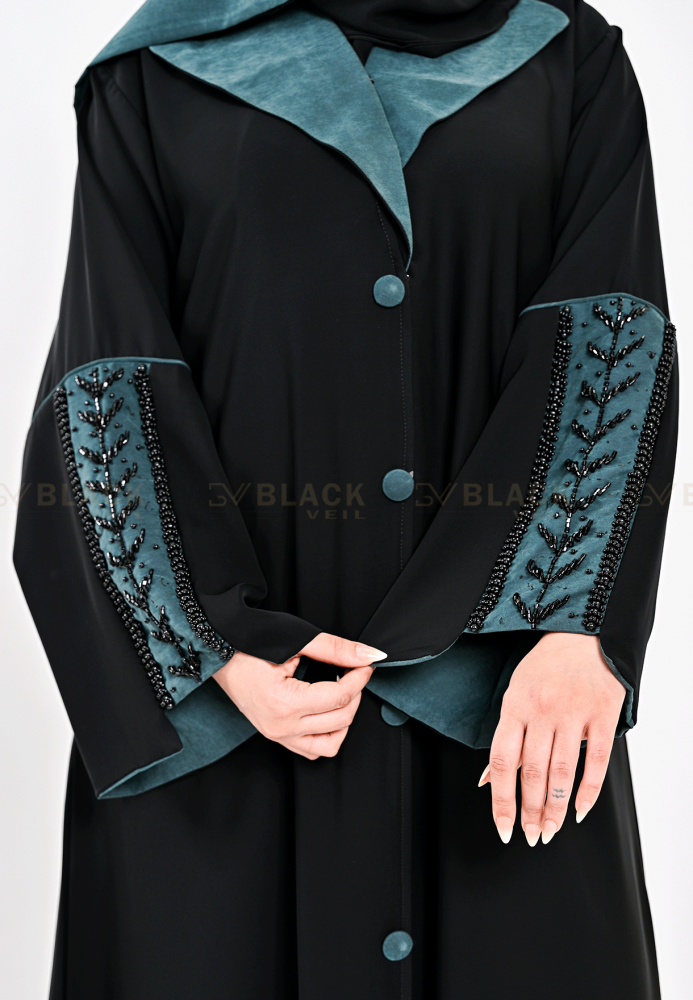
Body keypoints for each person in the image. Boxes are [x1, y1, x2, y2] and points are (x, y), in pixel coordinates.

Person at [14, 1, 677, 998]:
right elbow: (105, 372)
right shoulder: (155, 74)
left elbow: (612, 331)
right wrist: (214, 642)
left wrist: (574, 625)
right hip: (239, 714)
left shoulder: (566, 55)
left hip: (503, 698)